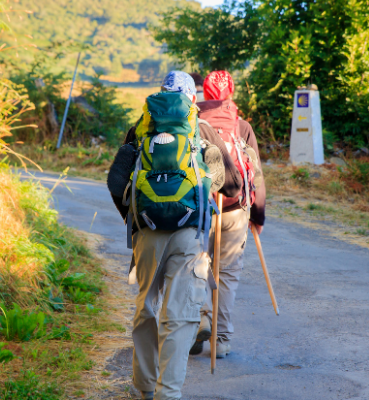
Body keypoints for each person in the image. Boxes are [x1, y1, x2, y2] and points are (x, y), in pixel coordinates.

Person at [108, 71, 243, 400]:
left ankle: (143, 387)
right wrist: (199, 198)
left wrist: (134, 215)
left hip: (146, 234)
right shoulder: (201, 129)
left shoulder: (141, 128)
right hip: (189, 236)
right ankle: (168, 393)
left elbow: (115, 180)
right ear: (192, 98)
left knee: (147, 308)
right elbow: (230, 181)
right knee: (180, 314)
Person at [190, 70, 266, 358]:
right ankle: (220, 341)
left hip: (201, 208)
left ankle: (200, 318)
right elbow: (256, 175)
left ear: (205, 93)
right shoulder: (242, 126)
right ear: (230, 92)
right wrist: (258, 217)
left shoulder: (193, 122)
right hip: (236, 209)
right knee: (228, 275)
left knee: (198, 266)